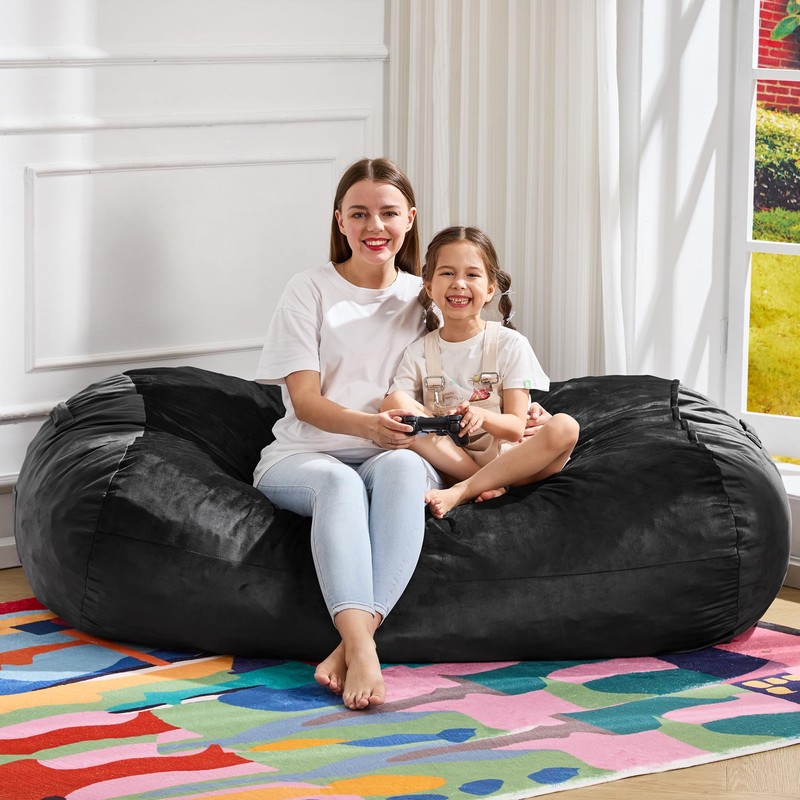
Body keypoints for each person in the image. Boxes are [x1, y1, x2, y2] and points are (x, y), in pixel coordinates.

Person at [382, 225, 580, 518]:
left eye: (472, 275)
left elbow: (515, 427)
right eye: (447, 273)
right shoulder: (418, 352)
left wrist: (483, 416)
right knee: (393, 402)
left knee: (566, 426)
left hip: (513, 464)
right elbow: (396, 410)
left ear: (490, 289)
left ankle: (465, 489)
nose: (459, 284)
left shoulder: (510, 344)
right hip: (452, 462)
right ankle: (480, 483)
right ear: (428, 286)